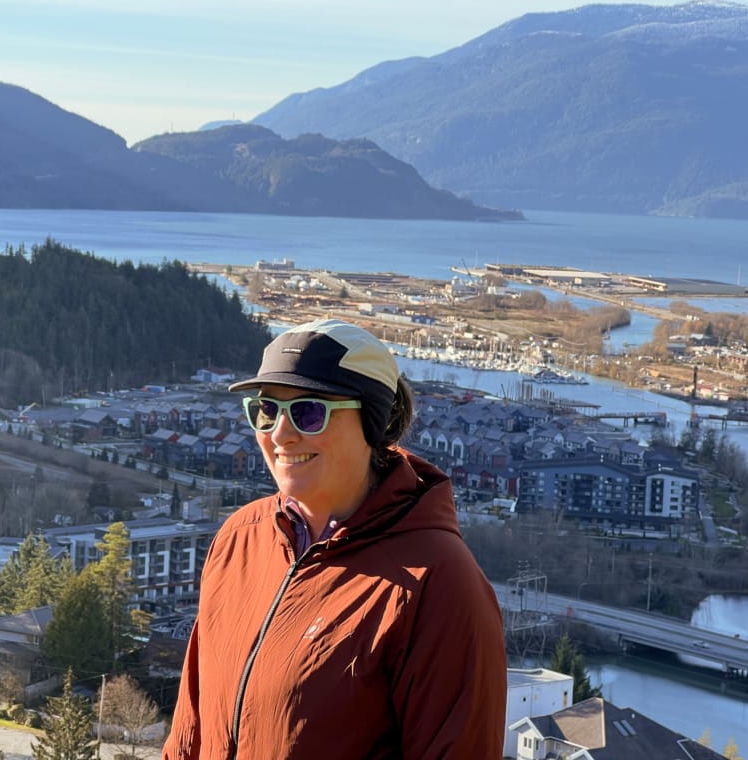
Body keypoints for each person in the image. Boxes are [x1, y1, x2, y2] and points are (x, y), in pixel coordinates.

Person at [163, 318, 506, 760]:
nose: (280, 434)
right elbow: (190, 728)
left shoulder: (439, 582)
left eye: (308, 412)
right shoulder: (239, 539)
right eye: (267, 409)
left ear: (373, 423)